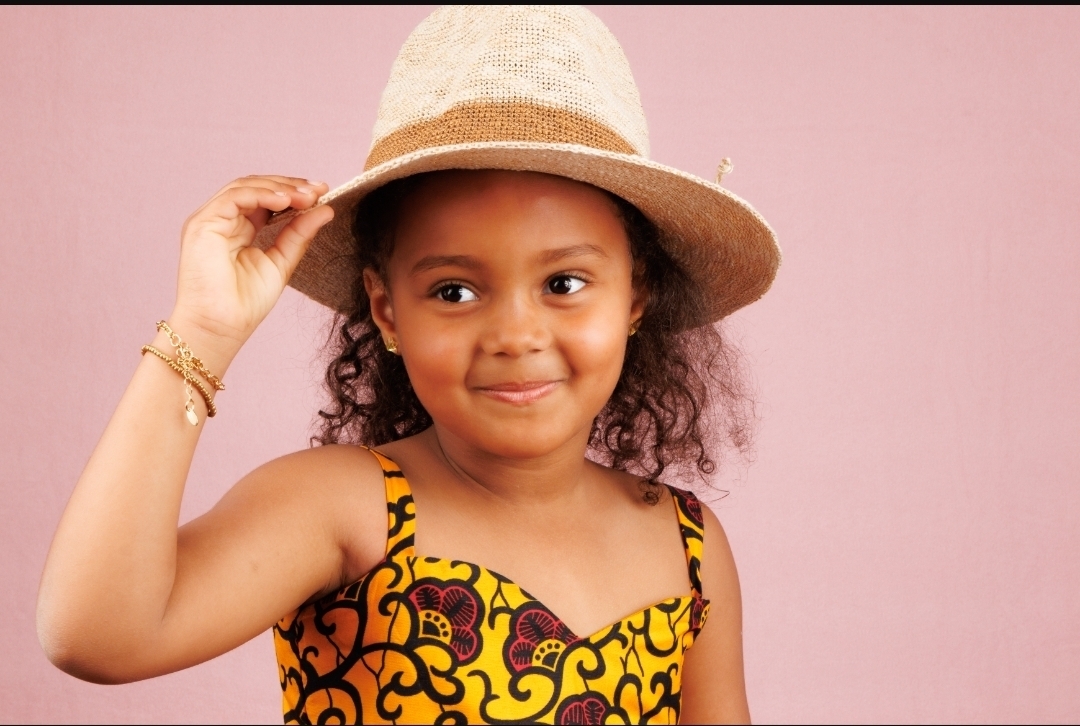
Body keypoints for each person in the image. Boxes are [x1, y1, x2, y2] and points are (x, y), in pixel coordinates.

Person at [37, 6, 778, 724]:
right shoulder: (342, 508)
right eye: (454, 291)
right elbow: (95, 635)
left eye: (563, 283)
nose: (515, 335)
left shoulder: (686, 544)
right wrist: (203, 331)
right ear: (387, 310)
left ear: (636, 298)